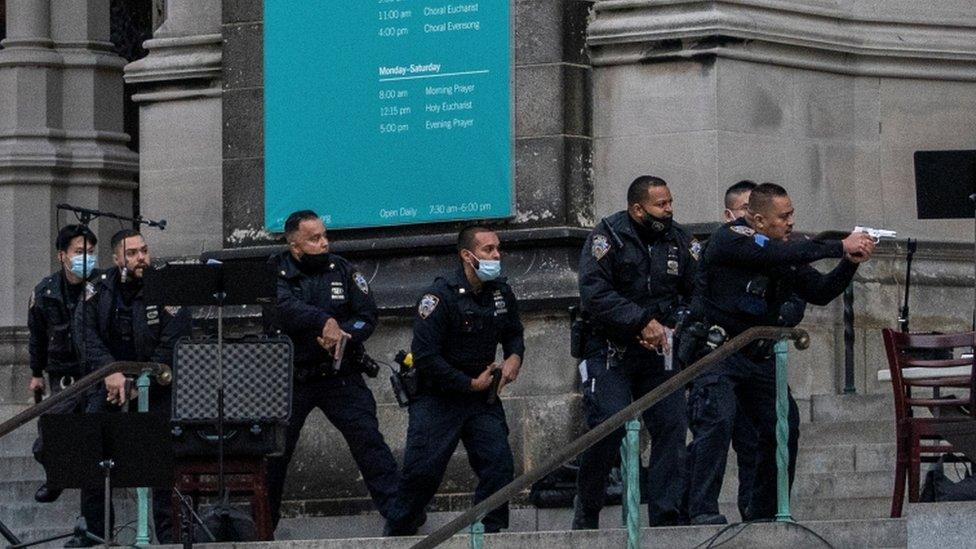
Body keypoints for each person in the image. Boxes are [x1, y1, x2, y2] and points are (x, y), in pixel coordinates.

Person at [685, 183, 875, 524]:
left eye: (791, 215)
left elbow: (819, 291)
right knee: (717, 420)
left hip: (758, 355)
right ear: (758, 219)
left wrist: (849, 262)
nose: (790, 222)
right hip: (720, 350)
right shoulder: (732, 238)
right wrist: (837, 244)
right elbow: (771, 254)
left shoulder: (783, 250)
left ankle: (766, 512)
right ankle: (701, 511)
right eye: (783, 216)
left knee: (782, 425)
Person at [573, 175, 698, 529]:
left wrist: (673, 325)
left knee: (672, 426)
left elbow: (697, 293)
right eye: (661, 204)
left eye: (671, 202)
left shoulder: (680, 241)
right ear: (637, 208)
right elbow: (595, 294)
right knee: (607, 427)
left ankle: (666, 518)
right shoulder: (607, 237)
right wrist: (640, 322)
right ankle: (588, 510)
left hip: (660, 351)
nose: (669, 210)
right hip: (610, 351)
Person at [385, 225, 525, 536]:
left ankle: (490, 533)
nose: (497, 255)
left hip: (481, 398)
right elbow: (425, 357)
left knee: (498, 465)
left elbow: (514, 332)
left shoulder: (500, 292)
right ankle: (398, 534)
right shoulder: (439, 297)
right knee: (422, 474)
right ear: (467, 255)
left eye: (497, 248)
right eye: (488, 250)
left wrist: (514, 358)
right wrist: (468, 383)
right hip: (439, 397)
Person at [268, 210, 398, 531]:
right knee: (273, 454)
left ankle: (401, 518)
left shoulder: (343, 270)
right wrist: (322, 321)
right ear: (295, 246)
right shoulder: (275, 270)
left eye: (325, 236)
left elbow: (367, 315)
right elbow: (282, 308)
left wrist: (344, 333)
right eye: (314, 239)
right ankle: (262, 526)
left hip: (339, 374)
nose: (324, 243)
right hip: (291, 378)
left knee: (370, 443)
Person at [80, 229, 191, 544]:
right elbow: (86, 334)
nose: (141, 257)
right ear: (116, 258)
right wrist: (110, 372)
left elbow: (173, 340)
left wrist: (137, 379)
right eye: (132, 253)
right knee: (91, 452)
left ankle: (168, 537)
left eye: (144, 250)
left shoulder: (166, 286)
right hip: (108, 385)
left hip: (155, 386)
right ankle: (96, 535)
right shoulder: (98, 288)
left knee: (158, 462)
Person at [27, 225, 100, 545]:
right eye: (79, 253)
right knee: (48, 438)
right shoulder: (45, 292)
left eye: (90, 253)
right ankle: (56, 475)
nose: (86, 259)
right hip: (63, 376)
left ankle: (92, 528)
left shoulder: (100, 287)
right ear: (62, 256)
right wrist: (35, 372)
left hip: (94, 376)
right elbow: (37, 337)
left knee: (90, 452)